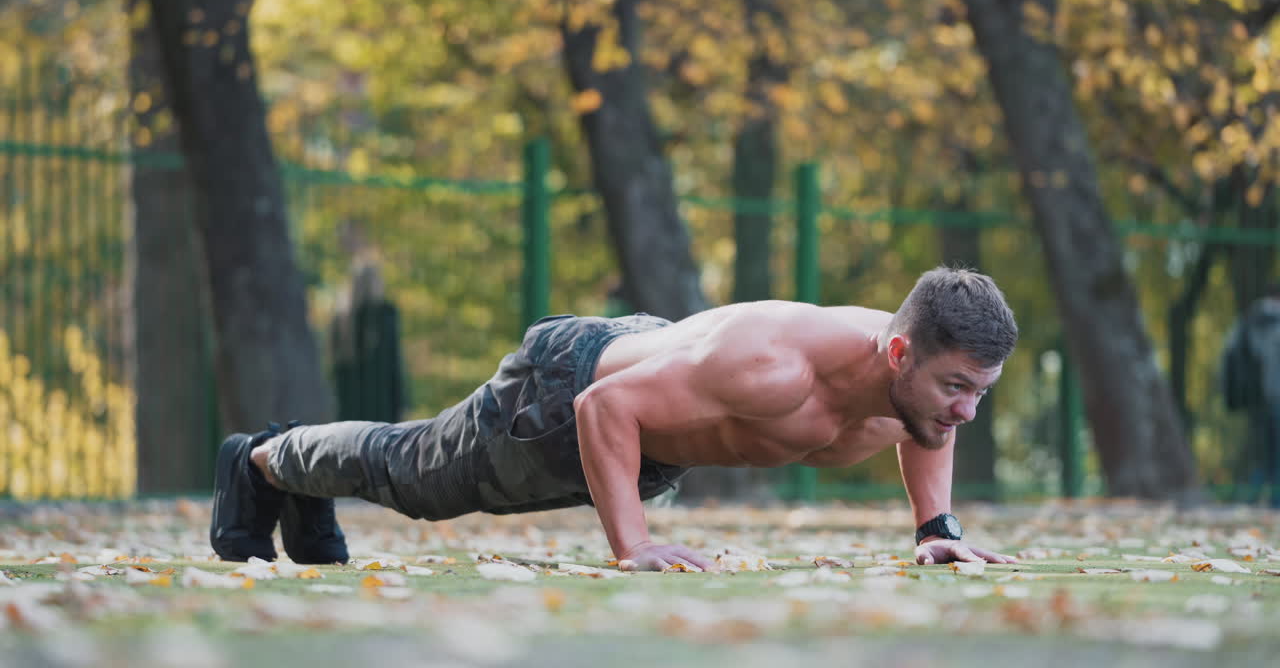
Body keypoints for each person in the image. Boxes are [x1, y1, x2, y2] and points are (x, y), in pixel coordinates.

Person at [211, 266, 1019, 569]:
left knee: (416, 476)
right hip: (566, 394)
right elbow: (606, 405)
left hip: (653, 407)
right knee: (413, 476)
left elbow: (930, 430)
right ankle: (261, 461)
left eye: (980, 391)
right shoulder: (773, 366)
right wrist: (633, 547)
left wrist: (935, 527)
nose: (967, 411)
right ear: (898, 353)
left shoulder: (909, 386)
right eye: (956, 386)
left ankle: (297, 484)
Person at [1221, 285, 1280, 507]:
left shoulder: (1249, 320)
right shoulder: (1273, 321)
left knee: (1262, 453)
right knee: (1275, 453)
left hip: (1255, 400)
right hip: (1275, 396)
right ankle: (1275, 502)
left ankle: (1253, 498)